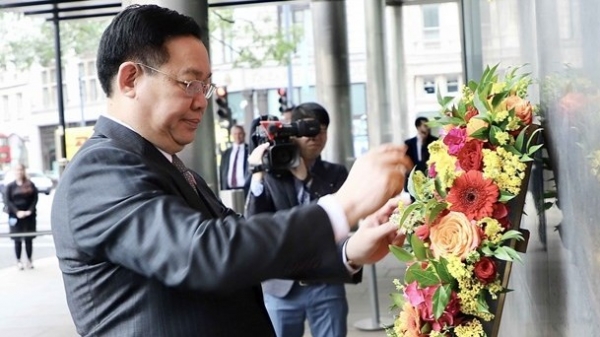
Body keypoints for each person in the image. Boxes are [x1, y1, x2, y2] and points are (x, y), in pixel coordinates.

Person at [50, 5, 411, 337]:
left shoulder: (165, 163)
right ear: (130, 79)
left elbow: (241, 243)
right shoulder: (98, 170)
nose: (201, 101)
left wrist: (349, 251)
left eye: (206, 86)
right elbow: (207, 253)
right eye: (189, 83)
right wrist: (342, 206)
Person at [246, 102, 353, 337]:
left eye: (322, 129)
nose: (315, 136)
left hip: (326, 281)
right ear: (293, 132)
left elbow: (343, 217)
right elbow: (254, 223)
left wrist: (307, 181)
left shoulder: (336, 174)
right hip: (281, 286)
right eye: (309, 130)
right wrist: (256, 176)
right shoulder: (272, 173)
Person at [3, 164, 38, 270]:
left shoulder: (30, 184)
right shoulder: (10, 186)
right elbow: (7, 201)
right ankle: (18, 261)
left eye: (21, 170)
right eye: (17, 170)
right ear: (14, 172)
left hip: (29, 216)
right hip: (15, 216)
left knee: (29, 239)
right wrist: (17, 212)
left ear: (24, 171)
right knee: (17, 239)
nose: (19, 172)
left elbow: (35, 199)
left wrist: (29, 211)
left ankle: (29, 260)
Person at [219, 125, 248, 191]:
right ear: (231, 135)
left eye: (240, 133)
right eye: (235, 134)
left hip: (245, 189)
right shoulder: (226, 153)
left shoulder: (250, 151)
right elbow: (222, 173)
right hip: (228, 190)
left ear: (244, 134)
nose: (237, 136)